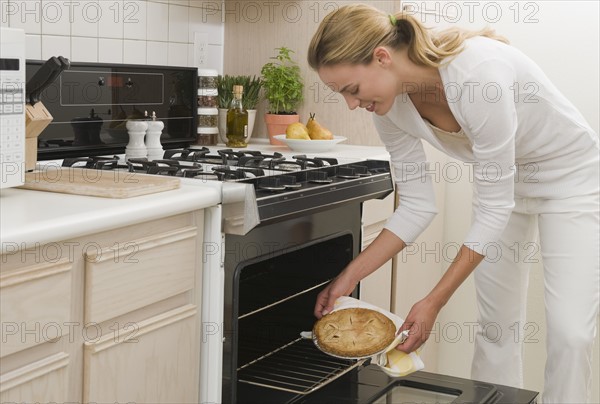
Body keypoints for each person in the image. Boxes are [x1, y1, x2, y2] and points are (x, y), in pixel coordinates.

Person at [308, 4, 599, 403]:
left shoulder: (478, 75)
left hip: (570, 180)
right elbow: (416, 206)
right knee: (496, 326)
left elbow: (492, 208)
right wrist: (347, 278)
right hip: (503, 189)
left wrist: (432, 302)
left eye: (351, 90)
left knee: (572, 333)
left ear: (382, 57)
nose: (351, 104)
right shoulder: (390, 107)